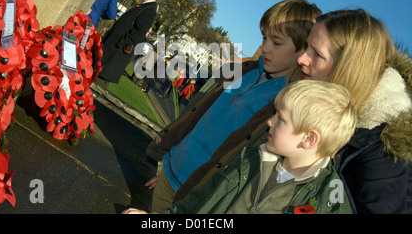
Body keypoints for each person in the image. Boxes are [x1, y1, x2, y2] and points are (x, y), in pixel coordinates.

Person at [145, 0, 322, 212]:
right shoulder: (244, 70)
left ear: (303, 50)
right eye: (264, 38)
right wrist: (167, 171)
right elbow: (199, 117)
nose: (264, 48)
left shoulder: (288, 102)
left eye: (276, 42)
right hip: (170, 174)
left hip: (198, 198)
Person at [124, 80, 357, 214]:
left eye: (281, 118)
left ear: (309, 139)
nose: (270, 121)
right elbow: (197, 204)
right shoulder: (250, 156)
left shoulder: (331, 203)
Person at [297, 9, 412, 213]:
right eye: (306, 47)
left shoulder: (381, 151)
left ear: (348, 67)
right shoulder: (315, 98)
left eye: (317, 53)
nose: (302, 59)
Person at [98, 0, 164, 84]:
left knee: (99, 81)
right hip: (114, 48)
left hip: (115, 53)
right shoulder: (145, 7)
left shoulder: (149, 10)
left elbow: (138, 33)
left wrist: (121, 42)